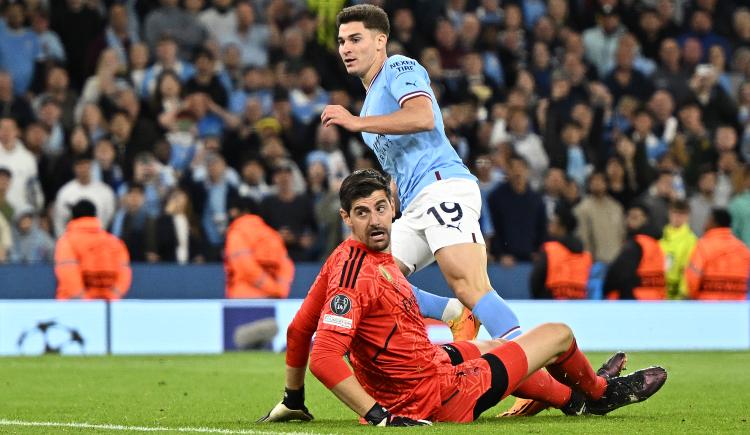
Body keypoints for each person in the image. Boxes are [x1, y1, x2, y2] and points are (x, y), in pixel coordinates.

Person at [258, 169, 667, 425]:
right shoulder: (355, 274)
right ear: (345, 218)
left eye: (381, 208)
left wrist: (293, 399)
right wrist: (380, 418)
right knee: (558, 334)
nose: (376, 220)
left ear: (394, 207)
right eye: (362, 212)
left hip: (423, 370)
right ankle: (599, 396)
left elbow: (298, 330)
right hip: (437, 397)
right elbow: (324, 357)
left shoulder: (351, 257)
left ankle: (572, 399)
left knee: (491, 345)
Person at [320, 4, 520, 342]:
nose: (346, 49)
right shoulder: (371, 101)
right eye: (342, 42)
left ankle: (534, 370)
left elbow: (422, 116)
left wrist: (356, 122)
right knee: (366, 276)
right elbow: (402, 157)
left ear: (380, 40)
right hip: (415, 203)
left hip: (443, 186)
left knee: (469, 285)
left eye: (356, 39)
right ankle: (452, 313)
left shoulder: (399, 67)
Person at [54, 200, 131, 300]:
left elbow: (68, 274)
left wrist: (85, 301)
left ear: (73, 217)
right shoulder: (115, 242)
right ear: (95, 216)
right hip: (107, 308)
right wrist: (111, 299)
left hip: (73, 308)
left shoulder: (67, 241)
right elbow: (124, 275)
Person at [224, 198, 294, 299]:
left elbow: (245, 267)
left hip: (243, 300)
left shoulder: (236, 233)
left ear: (244, 211)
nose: (231, 215)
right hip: (272, 300)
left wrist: (271, 288)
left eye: (233, 211)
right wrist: (279, 290)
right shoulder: (272, 234)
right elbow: (287, 266)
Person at [604, 203, 666, 300]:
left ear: (645, 219)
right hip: (655, 301)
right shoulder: (657, 244)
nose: (630, 220)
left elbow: (617, 274)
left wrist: (606, 289)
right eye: (629, 216)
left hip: (634, 301)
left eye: (635, 216)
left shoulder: (637, 244)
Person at [686, 209, 750, 300]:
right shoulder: (743, 249)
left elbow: (692, 279)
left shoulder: (703, 246)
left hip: (708, 307)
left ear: (712, 221)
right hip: (737, 308)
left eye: (707, 220)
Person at [530, 204, 591, 300]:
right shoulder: (585, 254)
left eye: (553, 222)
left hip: (551, 305)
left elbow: (535, 281)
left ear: (562, 227)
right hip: (578, 305)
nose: (549, 225)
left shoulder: (550, 249)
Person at [658, 200, 697, 299]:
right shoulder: (661, 236)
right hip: (660, 293)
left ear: (687, 216)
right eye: (674, 213)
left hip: (678, 297)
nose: (677, 217)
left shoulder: (691, 240)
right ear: (669, 214)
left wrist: (684, 293)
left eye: (681, 214)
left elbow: (689, 270)